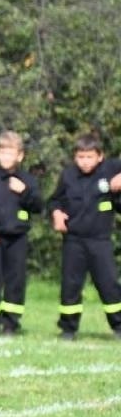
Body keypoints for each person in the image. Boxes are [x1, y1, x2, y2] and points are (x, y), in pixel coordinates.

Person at [47, 133, 121, 340]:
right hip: (73, 240)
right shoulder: (68, 176)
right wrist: (56, 213)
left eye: (89, 157)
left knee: (109, 284)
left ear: (100, 156)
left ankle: (119, 325)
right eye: (81, 157)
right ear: (74, 157)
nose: (85, 162)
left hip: (100, 240)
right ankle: (68, 328)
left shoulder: (110, 169)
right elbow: (54, 200)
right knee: (70, 285)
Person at [0, 130, 42, 335]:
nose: (5, 157)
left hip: (18, 238)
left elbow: (38, 206)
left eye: (10, 153)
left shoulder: (28, 180)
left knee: (15, 281)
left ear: (20, 156)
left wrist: (24, 192)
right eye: (2, 152)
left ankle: (11, 323)